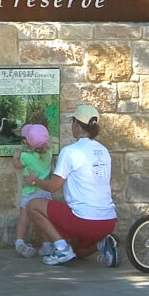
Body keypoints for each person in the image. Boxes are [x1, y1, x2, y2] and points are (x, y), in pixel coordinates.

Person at [22, 104, 119, 267]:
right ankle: (103, 243)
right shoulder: (103, 151)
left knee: (32, 206)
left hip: (84, 220)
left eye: (72, 121)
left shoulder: (70, 151)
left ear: (77, 124)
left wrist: (34, 180)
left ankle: (62, 249)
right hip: (108, 221)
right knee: (78, 251)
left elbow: (53, 187)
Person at [12, 124, 53, 258]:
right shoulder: (49, 153)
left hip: (29, 192)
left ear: (27, 142)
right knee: (45, 221)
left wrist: (16, 157)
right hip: (44, 192)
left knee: (24, 219)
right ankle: (47, 245)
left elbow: (17, 165)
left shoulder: (25, 156)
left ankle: (19, 242)